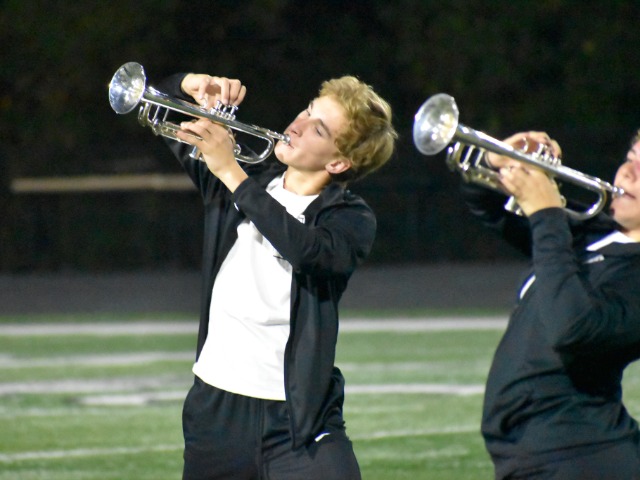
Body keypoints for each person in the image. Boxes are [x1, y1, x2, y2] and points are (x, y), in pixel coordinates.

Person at [154, 71, 397, 479]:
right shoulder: (250, 175)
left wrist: (231, 172)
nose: (297, 125)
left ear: (338, 162)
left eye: (318, 128)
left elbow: (307, 251)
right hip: (216, 413)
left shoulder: (351, 218)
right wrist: (188, 86)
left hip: (297, 420)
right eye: (307, 110)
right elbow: (159, 103)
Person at [463, 130, 640, 479]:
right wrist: (497, 159)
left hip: (582, 459)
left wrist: (546, 213)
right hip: (536, 456)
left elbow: (572, 328)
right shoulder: (595, 232)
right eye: (631, 158)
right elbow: (485, 204)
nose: (628, 172)